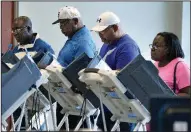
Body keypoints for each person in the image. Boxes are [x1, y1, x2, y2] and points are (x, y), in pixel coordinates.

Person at [91, 11, 140, 131]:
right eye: (99, 33)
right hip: (107, 106)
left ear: (115, 27)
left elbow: (123, 81)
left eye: (103, 32)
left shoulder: (128, 47)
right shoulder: (107, 44)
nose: (101, 36)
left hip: (123, 110)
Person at [52, 6, 96, 129]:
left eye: (64, 23)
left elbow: (82, 75)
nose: (61, 27)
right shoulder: (74, 38)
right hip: (68, 98)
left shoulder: (83, 42)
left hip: (77, 101)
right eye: (60, 24)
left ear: (75, 21)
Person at [150, 32, 190, 96]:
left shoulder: (180, 66)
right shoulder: (155, 65)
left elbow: (188, 95)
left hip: (171, 105)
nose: (152, 49)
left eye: (156, 46)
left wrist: (169, 97)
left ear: (168, 49)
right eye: (152, 46)